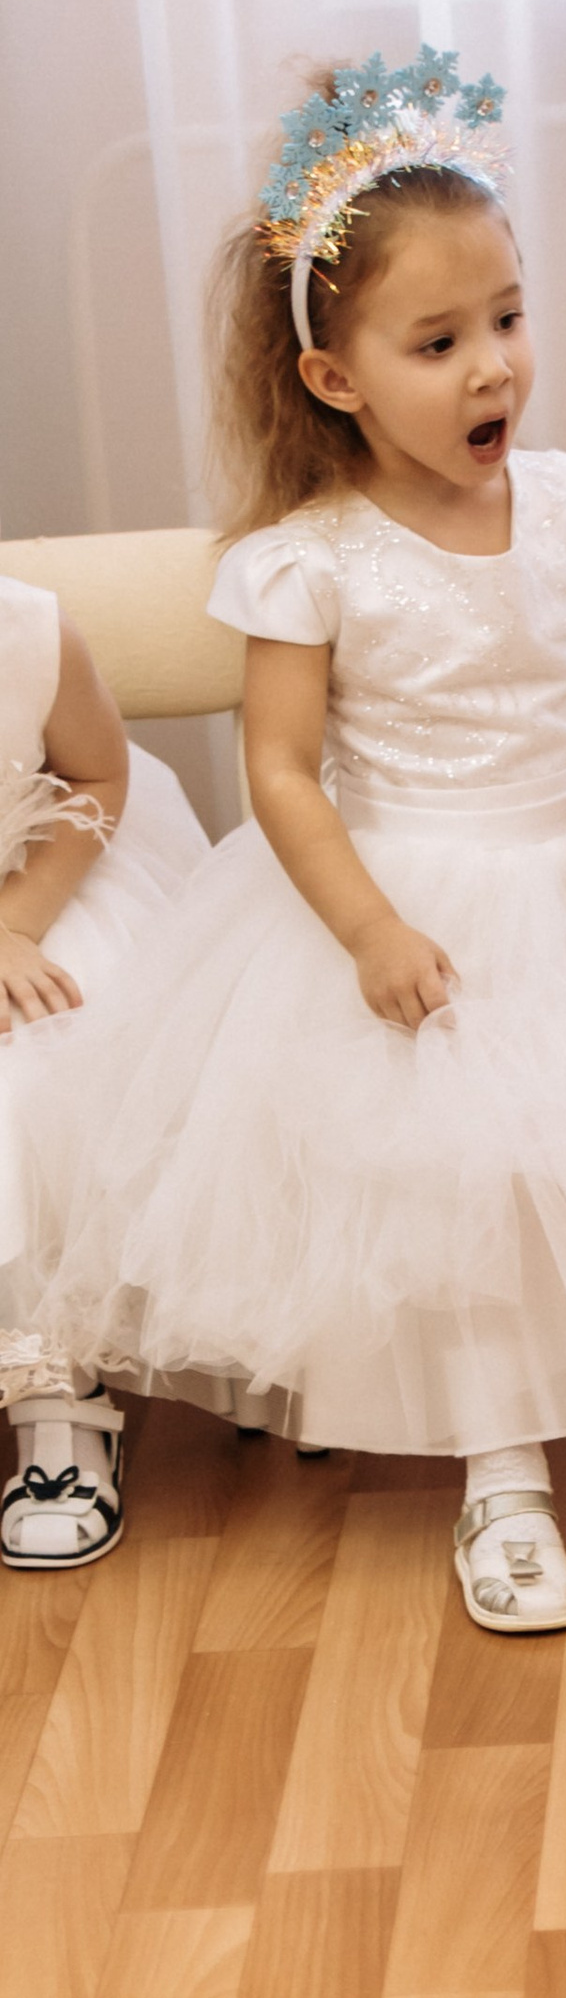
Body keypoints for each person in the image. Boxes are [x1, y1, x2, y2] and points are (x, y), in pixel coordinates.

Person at [0, 51, 566, 1630]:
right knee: (463, 1195)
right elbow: (280, 772)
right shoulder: (309, 561)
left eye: (508, 320)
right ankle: (504, 1478)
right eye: (441, 342)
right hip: (412, 890)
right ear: (336, 378)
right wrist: (365, 929)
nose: (495, 368)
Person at [0, 575, 210, 1565]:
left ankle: (56, 1391)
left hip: (37, 884)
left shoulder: (27, 632)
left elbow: (97, 777)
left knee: (27, 1063)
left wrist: (12, 926)